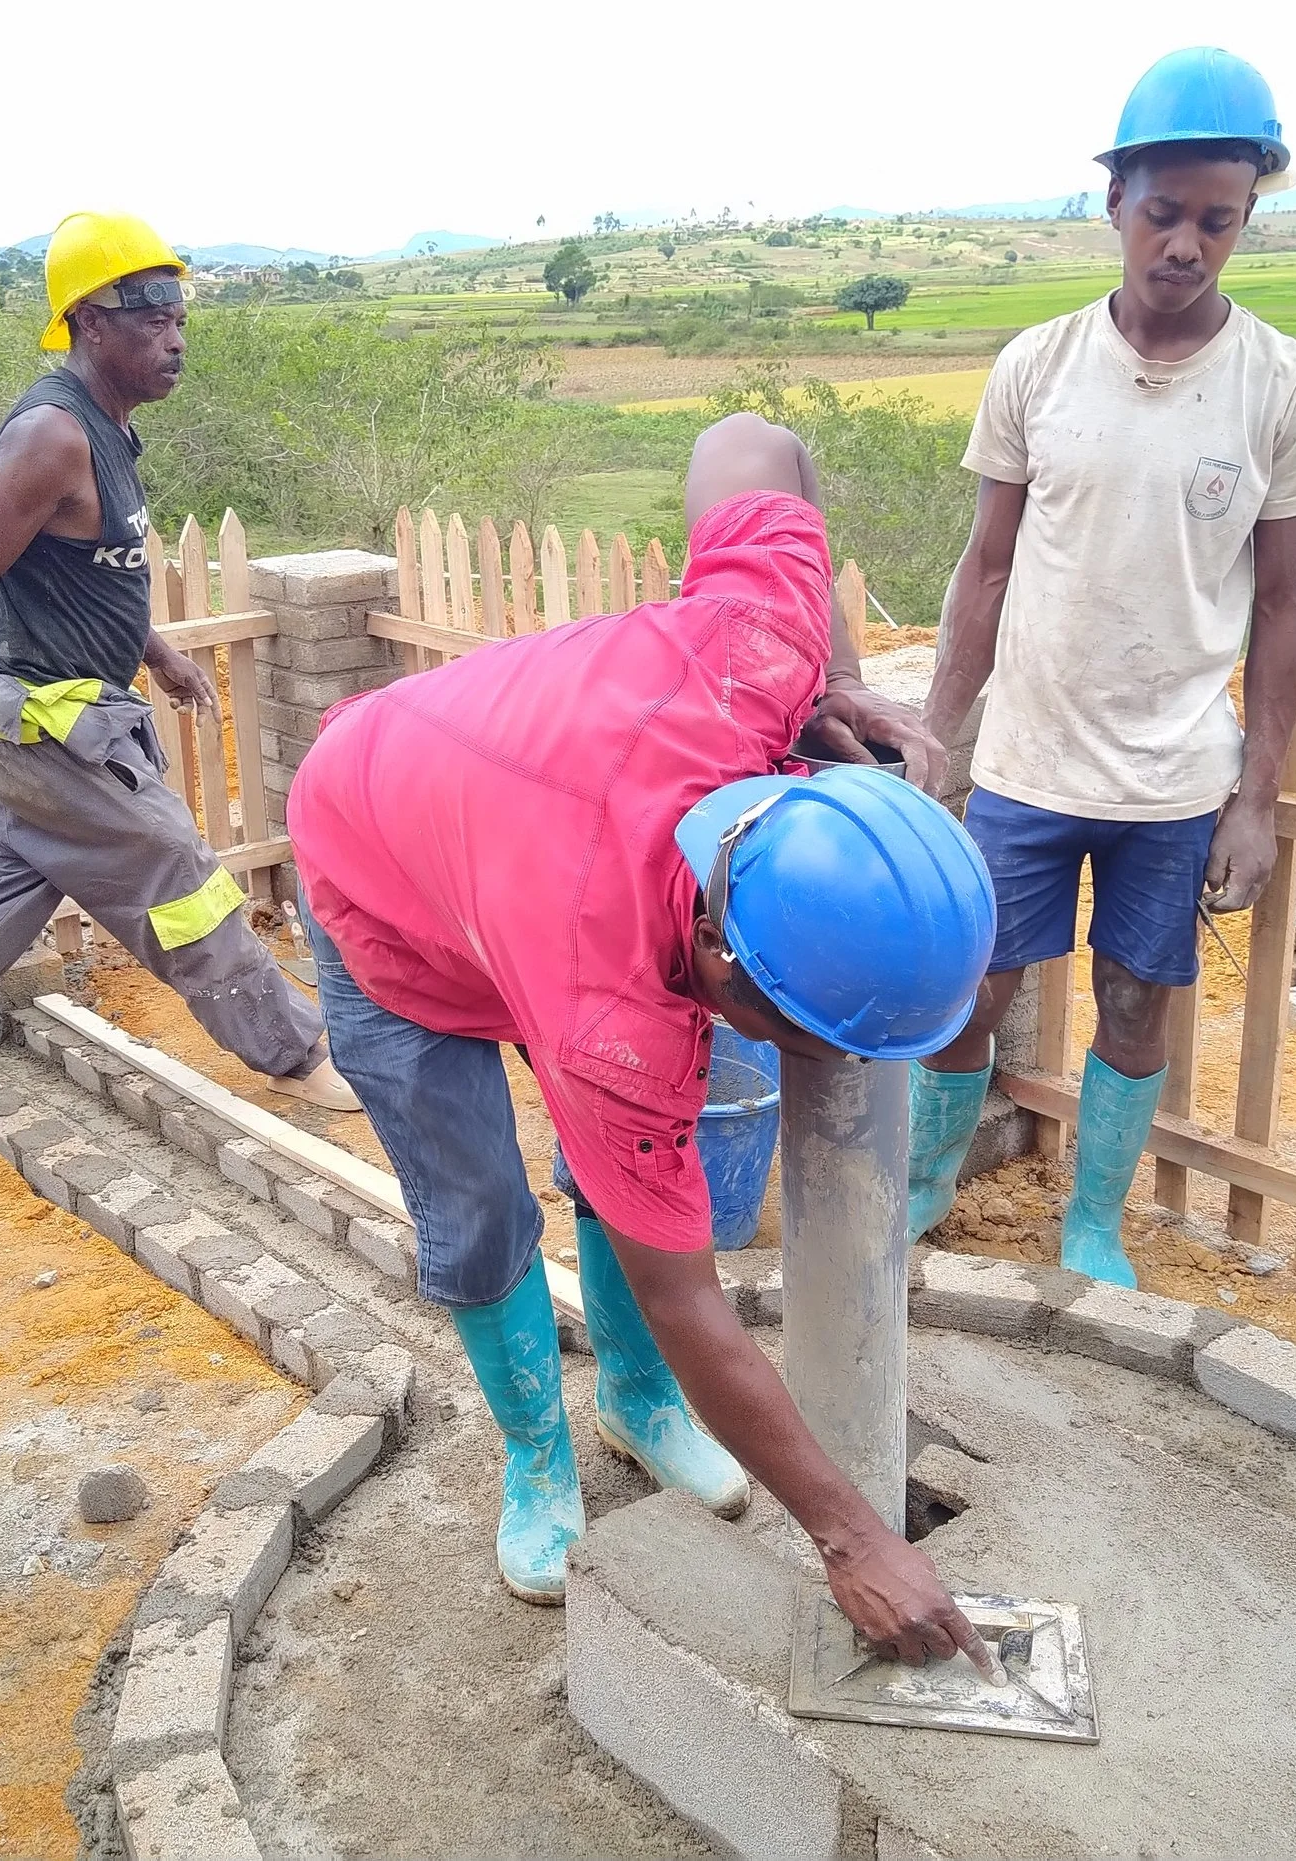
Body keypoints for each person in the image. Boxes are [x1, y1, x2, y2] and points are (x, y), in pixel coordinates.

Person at [286, 410, 1002, 1676]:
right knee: (480, 1202)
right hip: (379, 869)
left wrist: (824, 671)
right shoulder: (616, 1017)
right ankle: (534, 1455)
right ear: (723, 960)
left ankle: (637, 1401)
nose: (827, 1070)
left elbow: (749, 437)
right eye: (812, 1037)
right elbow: (689, 1292)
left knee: (626, 1180)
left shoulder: (757, 647)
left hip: (498, 809)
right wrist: (849, 1538)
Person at [0, 211, 356, 1141]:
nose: (174, 339)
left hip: (50, 720)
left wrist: (151, 649)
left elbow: (79, 573)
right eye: (151, 318)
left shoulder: (110, 430)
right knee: (180, 872)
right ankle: (297, 1054)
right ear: (88, 321)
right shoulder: (52, 434)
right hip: (51, 731)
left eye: (180, 319)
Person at [909, 46, 1296, 1285]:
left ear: (1246, 219)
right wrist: (940, 735)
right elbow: (982, 573)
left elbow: (1290, 606)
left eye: (1217, 220)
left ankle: (1091, 1222)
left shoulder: (1279, 385)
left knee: (1137, 1001)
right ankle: (929, 1188)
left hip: (1171, 779)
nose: (1184, 245)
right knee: (970, 994)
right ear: (1113, 203)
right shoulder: (1036, 367)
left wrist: (1255, 799)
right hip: (1028, 761)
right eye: (1162, 214)